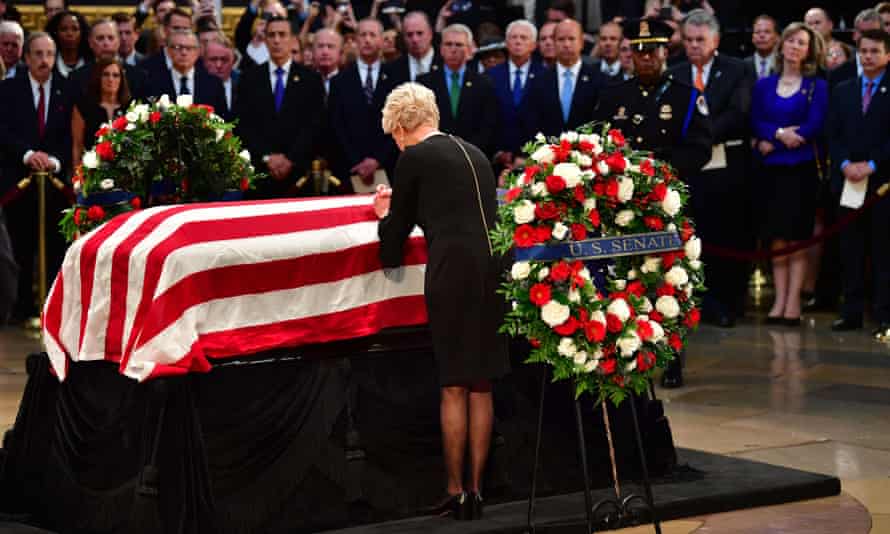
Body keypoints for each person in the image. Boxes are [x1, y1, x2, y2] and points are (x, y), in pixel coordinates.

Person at [374, 82, 509, 520]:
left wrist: (382, 218)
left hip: (452, 275)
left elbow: (397, 231)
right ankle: (477, 489)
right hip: (493, 274)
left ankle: (455, 490)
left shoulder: (413, 157)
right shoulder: (474, 152)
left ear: (400, 126)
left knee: (453, 383)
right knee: (481, 383)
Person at [594, 17, 713, 388]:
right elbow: (598, 142)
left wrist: (657, 172)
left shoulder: (686, 96)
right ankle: (627, 350)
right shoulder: (614, 95)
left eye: (653, 51)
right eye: (639, 51)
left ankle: (672, 357)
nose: (645, 58)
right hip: (623, 205)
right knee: (624, 279)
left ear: (665, 53)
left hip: (667, 200)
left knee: (669, 282)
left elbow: (701, 148)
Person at [669, 9, 752, 329]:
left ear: (715, 40)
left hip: (726, 167)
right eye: (688, 40)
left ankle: (725, 302)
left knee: (724, 235)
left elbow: (738, 112)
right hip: (688, 169)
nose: (694, 46)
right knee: (692, 237)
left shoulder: (736, 70)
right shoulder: (674, 72)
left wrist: (700, 136)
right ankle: (693, 302)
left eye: (700, 40)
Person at [751, 22, 827, 327]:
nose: (795, 46)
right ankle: (778, 300)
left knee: (798, 236)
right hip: (771, 171)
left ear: (809, 51)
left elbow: (815, 123)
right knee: (776, 238)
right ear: (782, 45)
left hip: (802, 170)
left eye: (802, 43)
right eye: (792, 41)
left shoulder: (816, 86)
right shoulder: (764, 85)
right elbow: (757, 120)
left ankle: (793, 302)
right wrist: (781, 133)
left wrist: (787, 137)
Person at [0, 32, 72, 324]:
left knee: (56, 246)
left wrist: (54, 161)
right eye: (39, 54)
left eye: (50, 54)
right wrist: (28, 154)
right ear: (27, 57)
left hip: (55, 182)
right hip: (19, 179)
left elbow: (72, 135)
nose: (45, 61)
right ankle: (21, 308)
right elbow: (3, 130)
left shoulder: (67, 90)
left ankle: (52, 308)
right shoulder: (8, 90)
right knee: (20, 245)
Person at [827, 29, 890, 337]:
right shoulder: (843, 89)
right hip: (848, 181)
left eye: (875, 51)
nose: (868, 56)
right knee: (850, 249)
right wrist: (844, 164)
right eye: (864, 51)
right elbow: (833, 135)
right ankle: (850, 311)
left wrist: (873, 165)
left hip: (882, 184)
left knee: (883, 252)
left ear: (888, 55)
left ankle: (884, 314)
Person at [234, 15, 325, 198]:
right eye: (271, 35)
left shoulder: (311, 79)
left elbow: (315, 125)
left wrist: (291, 159)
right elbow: (243, 124)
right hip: (260, 175)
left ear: (292, 39)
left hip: (299, 177)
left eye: (282, 34)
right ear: (265, 39)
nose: (276, 40)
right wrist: (267, 158)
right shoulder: (249, 79)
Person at [328, 17, 394, 189]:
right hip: (350, 169)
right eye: (362, 34)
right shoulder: (339, 81)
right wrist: (358, 161)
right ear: (355, 40)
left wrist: (378, 159)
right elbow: (336, 126)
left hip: (389, 169)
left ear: (381, 40)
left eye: (372, 35)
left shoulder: (397, 78)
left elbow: (401, 125)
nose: (367, 39)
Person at [418, 23, 498, 156]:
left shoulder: (483, 83)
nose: (453, 49)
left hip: (473, 158)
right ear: (441, 49)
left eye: (459, 45)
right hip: (435, 157)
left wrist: (467, 153)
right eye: (448, 44)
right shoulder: (424, 83)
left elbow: (487, 127)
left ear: (469, 49)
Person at [524, 19, 605, 140]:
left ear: (582, 42)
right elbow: (531, 122)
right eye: (561, 39)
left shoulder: (599, 79)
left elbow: (601, 122)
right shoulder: (539, 81)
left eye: (571, 39)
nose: (566, 44)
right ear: (554, 42)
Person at [487, 19, 545, 169]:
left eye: (524, 38)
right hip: (499, 161)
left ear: (534, 45)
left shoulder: (545, 76)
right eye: (514, 37)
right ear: (506, 43)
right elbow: (487, 118)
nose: (518, 41)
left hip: (535, 161)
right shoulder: (490, 76)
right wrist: (498, 152)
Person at [143, 30, 228, 115]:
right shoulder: (152, 82)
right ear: (168, 51)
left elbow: (222, 119)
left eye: (189, 48)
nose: (184, 52)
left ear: (198, 52)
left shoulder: (213, 83)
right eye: (177, 47)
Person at [71, 57, 130, 167]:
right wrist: (77, 177)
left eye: (116, 75)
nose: (110, 79)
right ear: (98, 77)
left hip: (124, 174)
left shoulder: (130, 109)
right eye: (106, 74)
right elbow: (77, 145)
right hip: (92, 172)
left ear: (122, 79)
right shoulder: (83, 106)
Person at [829, 8, 882, 90]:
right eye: (863, 33)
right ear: (854, 35)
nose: (867, 39)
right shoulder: (836, 75)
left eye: (873, 33)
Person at [384, 11, 440, 85]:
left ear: (430, 34)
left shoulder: (447, 64)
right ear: (403, 37)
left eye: (420, 33)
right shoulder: (391, 70)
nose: (415, 39)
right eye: (409, 35)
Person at [45, 10, 91, 77]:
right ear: (55, 33)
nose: (69, 34)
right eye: (63, 29)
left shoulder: (91, 63)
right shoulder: (47, 63)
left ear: (82, 32)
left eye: (75, 29)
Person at [203, 34, 238, 113]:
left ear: (233, 61)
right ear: (204, 61)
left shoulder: (245, 83)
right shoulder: (194, 84)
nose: (219, 65)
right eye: (213, 59)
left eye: (224, 60)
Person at [746, 14, 779, 80]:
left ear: (776, 37)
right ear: (752, 38)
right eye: (757, 32)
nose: (762, 35)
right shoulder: (742, 66)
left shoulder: (784, 65)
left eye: (767, 32)